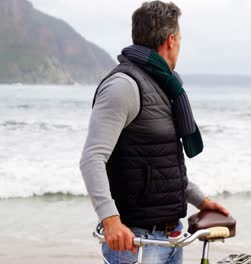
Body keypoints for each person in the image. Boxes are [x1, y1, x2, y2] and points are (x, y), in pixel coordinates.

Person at [79, 1, 229, 263]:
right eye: (180, 39)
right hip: (134, 242)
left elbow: (157, 166)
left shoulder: (166, 87)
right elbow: (92, 159)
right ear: (171, 40)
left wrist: (200, 201)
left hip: (172, 237)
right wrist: (111, 220)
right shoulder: (123, 86)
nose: (180, 45)